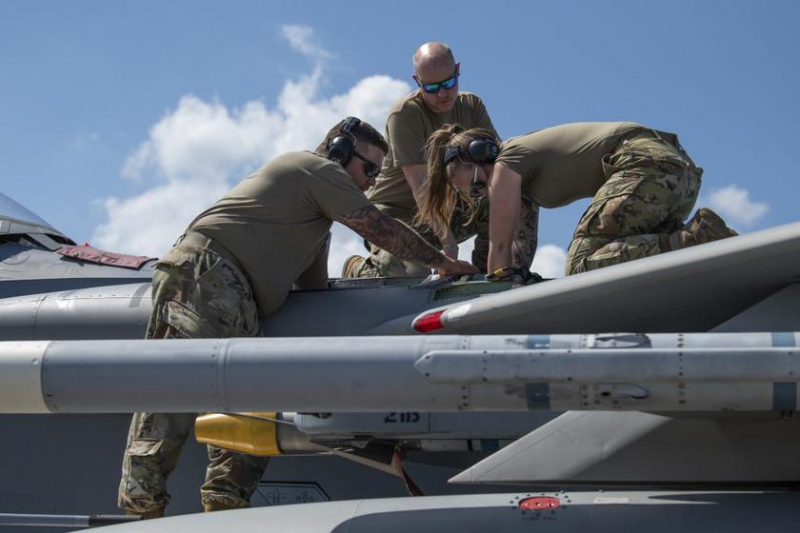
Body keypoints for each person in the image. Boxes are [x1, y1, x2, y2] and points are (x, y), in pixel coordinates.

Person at [118, 117, 477, 519]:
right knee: (173, 395)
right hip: (207, 276)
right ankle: (141, 512)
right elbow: (376, 226)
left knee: (249, 412)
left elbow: (314, 293)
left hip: (237, 298)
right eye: (370, 169)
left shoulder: (312, 225)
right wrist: (439, 262)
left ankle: (224, 509)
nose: (373, 181)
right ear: (340, 152)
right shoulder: (314, 169)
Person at [417, 122, 738, 282]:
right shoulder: (524, 186)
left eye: (477, 184)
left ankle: (699, 238)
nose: (485, 193)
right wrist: (473, 274)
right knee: (621, 259)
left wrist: (485, 302)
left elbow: (499, 252)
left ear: (480, 157)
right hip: (677, 177)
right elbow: (517, 259)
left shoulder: (506, 164)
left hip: (646, 166)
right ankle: (693, 245)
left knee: (581, 261)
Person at [343, 41, 498, 278]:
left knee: (504, 191)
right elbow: (422, 189)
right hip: (395, 216)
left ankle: (485, 274)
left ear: (458, 70)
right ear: (417, 82)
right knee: (405, 273)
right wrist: (449, 250)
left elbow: (498, 169)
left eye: (448, 83)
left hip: (446, 209)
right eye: (432, 87)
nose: (443, 94)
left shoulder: (472, 107)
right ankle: (359, 268)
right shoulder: (405, 114)